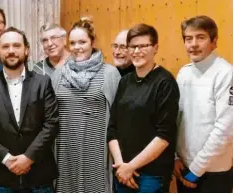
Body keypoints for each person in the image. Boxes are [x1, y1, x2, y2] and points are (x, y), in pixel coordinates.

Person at [0, 27, 59, 193]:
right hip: (0, 177)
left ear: (26, 50)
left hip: (39, 177)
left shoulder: (43, 83)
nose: (11, 51)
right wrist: (6, 159)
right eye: (5, 46)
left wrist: (28, 158)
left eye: (16, 46)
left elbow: (51, 124)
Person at [51, 17, 121, 193]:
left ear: (93, 42)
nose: (77, 47)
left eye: (82, 42)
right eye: (73, 43)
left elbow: (118, 120)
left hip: (97, 153)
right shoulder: (58, 75)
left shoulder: (110, 73)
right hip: (65, 152)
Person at [107, 23, 180, 192]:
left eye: (143, 46)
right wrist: (121, 166)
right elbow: (112, 128)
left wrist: (131, 167)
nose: (136, 51)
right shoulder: (125, 81)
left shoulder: (165, 82)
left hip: (151, 175)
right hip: (122, 170)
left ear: (155, 48)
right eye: (132, 46)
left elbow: (164, 135)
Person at [175, 15, 233, 193]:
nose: (193, 44)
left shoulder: (226, 73)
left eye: (200, 37)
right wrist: (175, 157)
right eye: (188, 38)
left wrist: (196, 169)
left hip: (214, 172)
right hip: (184, 168)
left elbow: (225, 129)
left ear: (214, 41)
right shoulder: (184, 73)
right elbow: (176, 119)